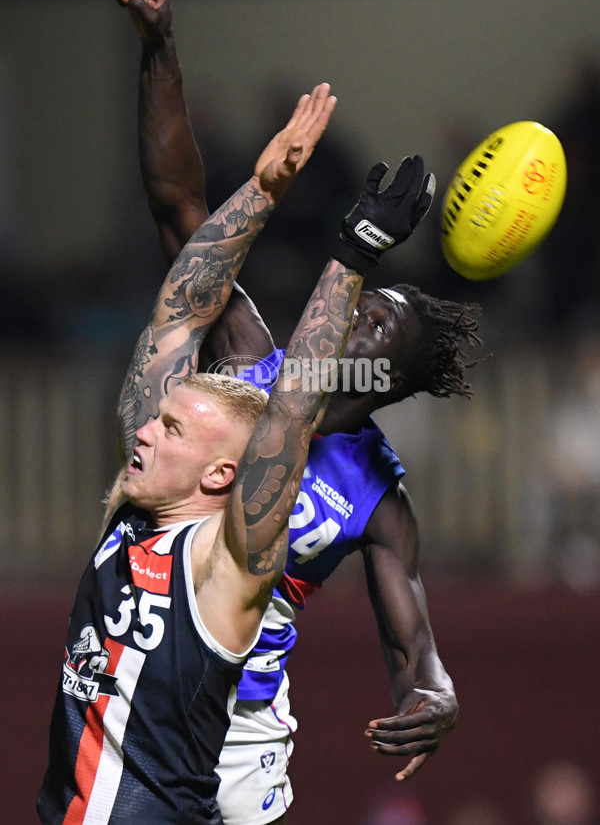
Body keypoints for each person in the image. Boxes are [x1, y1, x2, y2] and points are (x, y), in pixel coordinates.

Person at [115, 0, 480, 825]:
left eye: (380, 324)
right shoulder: (247, 358)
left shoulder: (378, 499)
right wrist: (160, 51)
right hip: (143, 673)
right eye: (362, 300)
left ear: (392, 379)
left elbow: (417, 652)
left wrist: (437, 696)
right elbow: (181, 210)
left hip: (242, 737)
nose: (356, 317)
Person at [37, 79, 393, 824]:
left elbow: (292, 412)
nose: (142, 429)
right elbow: (180, 307)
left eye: (169, 430)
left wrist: (352, 254)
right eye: (159, 419)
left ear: (224, 473)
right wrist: (263, 188)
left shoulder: (227, 567)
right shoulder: (133, 511)